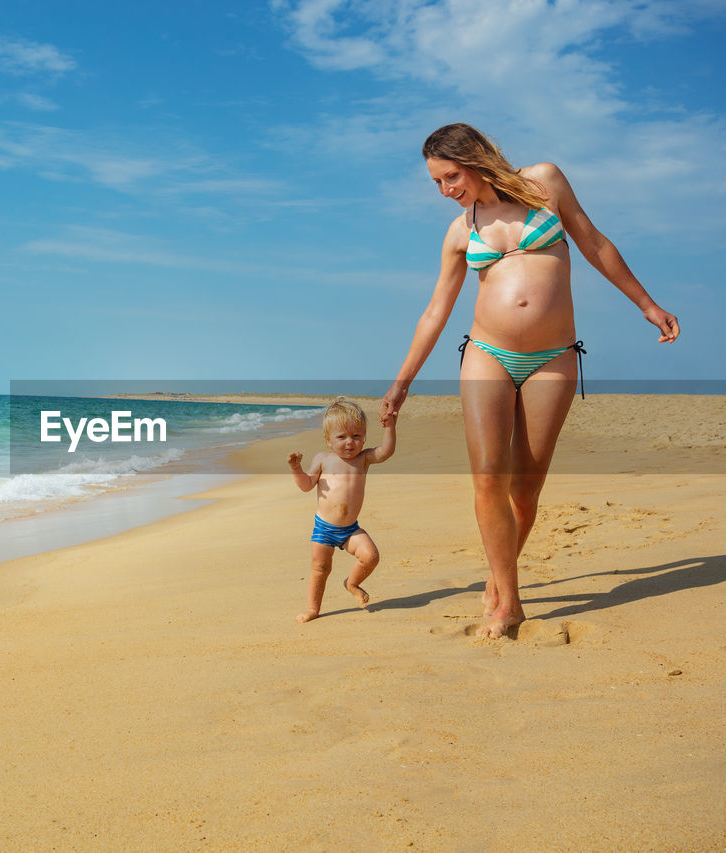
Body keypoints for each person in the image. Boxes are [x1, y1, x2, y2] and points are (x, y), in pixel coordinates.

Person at [380, 123, 679, 639]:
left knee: (527, 485)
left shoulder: (544, 183)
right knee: (488, 478)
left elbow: (594, 244)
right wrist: (402, 382)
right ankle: (509, 602)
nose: (445, 190)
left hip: (553, 357)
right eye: (436, 183)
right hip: (485, 354)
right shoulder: (461, 230)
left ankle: (499, 576)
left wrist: (647, 304)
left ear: (474, 159)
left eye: (451, 176)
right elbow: (434, 313)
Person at [287, 398, 397, 623]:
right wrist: (296, 468)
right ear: (328, 440)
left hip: (350, 529)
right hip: (324, 529)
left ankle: (352, 583)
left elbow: (386, 451)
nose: (350, 442)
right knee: (320, 569)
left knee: (371, 556)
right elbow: (307, 485)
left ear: (364, 437)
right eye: (342, 437)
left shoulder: (364, 459)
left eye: (357, 436)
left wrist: (390, 427)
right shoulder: (323, 459)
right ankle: (312, 608)